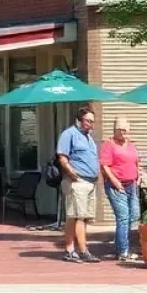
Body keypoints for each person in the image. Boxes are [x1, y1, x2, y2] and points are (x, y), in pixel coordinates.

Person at [57, 106, 101, 263]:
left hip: (90, 182)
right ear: (79, 120)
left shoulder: (88, 137)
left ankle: (70, 249)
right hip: (77, 181)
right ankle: (82, 251)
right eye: (88, 121)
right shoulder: (69, 134)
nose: (91, 124)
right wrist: (70, 172)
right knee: (78, 216)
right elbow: (62, 156)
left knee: (78, 217)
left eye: (92, 122)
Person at [99, 117, 140, 263]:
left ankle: (121, 246)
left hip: (132, 184)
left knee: (134, 215)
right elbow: (104, 165)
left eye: (125, 130)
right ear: (114, 130)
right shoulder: (109, 145)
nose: (123, 133)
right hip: (116, 185)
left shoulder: (131, 145)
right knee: (123, 217)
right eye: (120, 130)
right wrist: (114, 181)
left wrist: (138, 176)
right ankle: (123, 251)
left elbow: (136, 162)